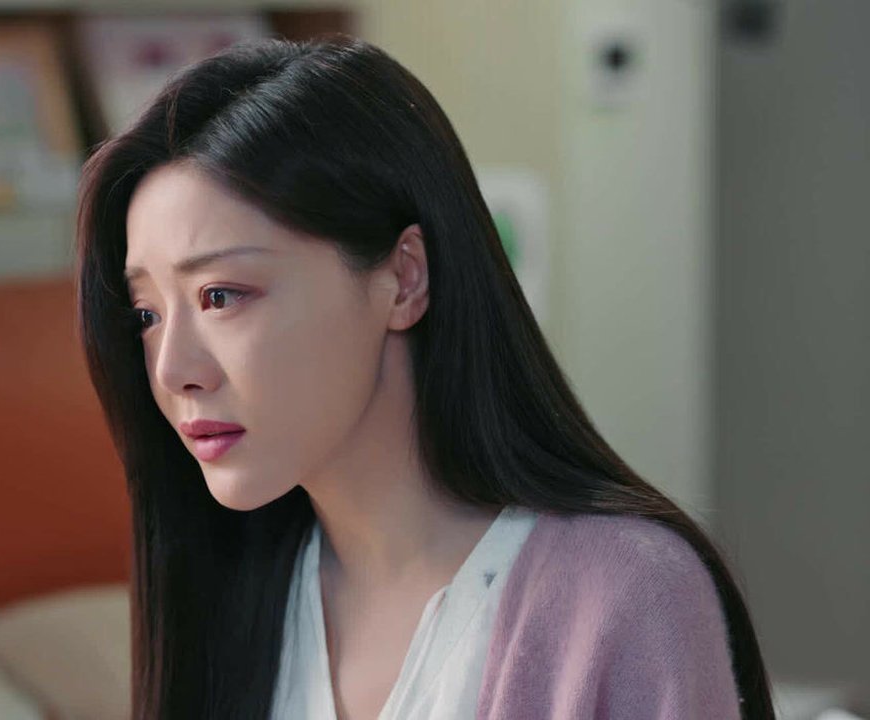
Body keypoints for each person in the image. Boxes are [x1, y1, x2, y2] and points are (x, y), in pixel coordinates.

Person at [73, 34, 774, 719]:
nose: (173, 370)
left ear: (404, 278)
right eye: (147, 314)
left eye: (221, 295)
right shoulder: (223, 602)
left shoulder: (627, 596)